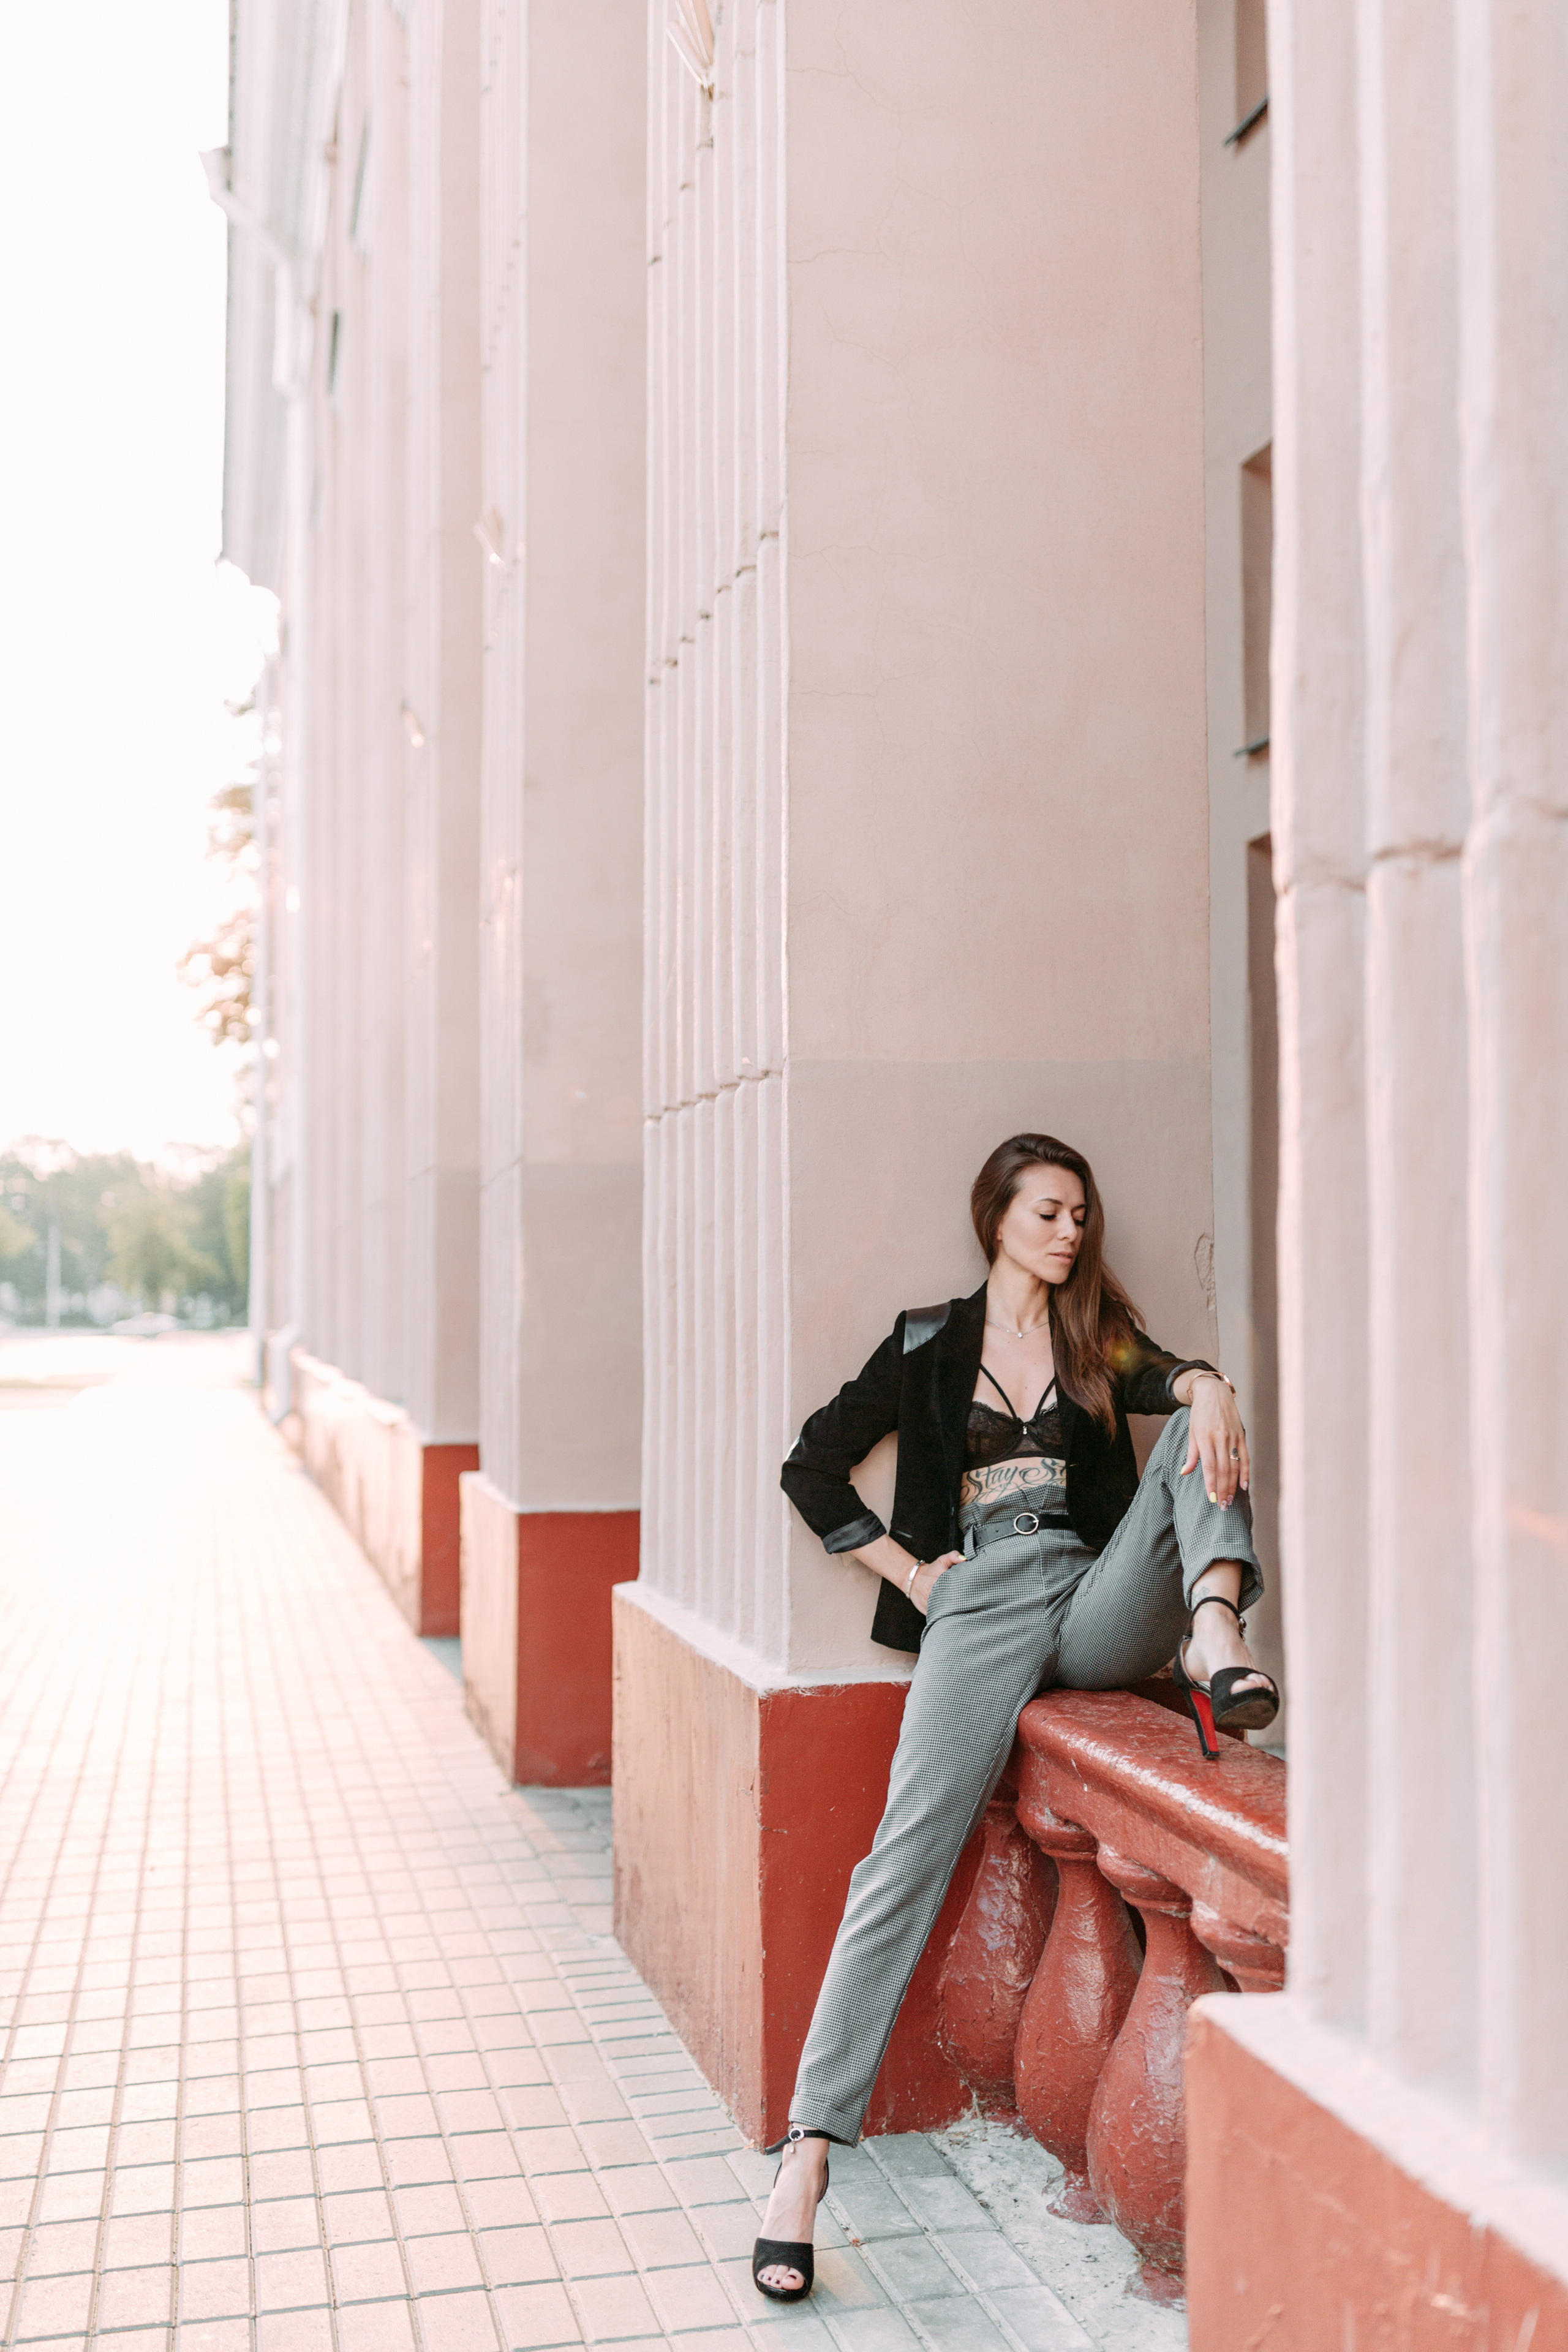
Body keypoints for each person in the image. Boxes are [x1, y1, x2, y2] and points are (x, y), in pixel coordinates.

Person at [750, 1132, 1278, 2302]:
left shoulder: (1096, 1338)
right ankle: (807, 2154)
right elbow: (811, 1467)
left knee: (1198, 1427)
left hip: (1092, 1598)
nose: (1069, 1232)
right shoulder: (927, 1343)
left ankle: (1214, 1630)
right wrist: (910, 1572)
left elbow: (1172, 1378)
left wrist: (1209, 1385)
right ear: (997, 1217)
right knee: (903, 1856)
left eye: (1080, 1215)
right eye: (1048, 1212)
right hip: (979, 1601)